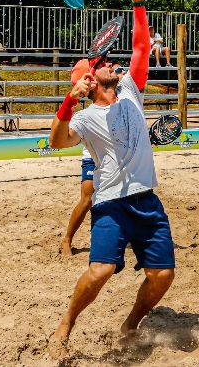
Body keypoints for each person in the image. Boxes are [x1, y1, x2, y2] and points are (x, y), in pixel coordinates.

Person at [48, 0, 174, 358]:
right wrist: (69, 100)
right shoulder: (84, 117)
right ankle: (66, 323)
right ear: (89, 78)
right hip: (112, 204)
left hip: (147, 201)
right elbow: (55, 142)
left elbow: (140, 46)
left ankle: (130, 324)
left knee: (163, 275)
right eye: (102, 62)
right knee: (101, 270)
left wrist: (139, 0)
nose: (112, 62)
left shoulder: (132, 89)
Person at [60, 64, 127, 257]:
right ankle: (67, 239)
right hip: (93, 156)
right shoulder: (89, 113)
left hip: (116, 154)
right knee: (87, 200)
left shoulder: (120, 92)